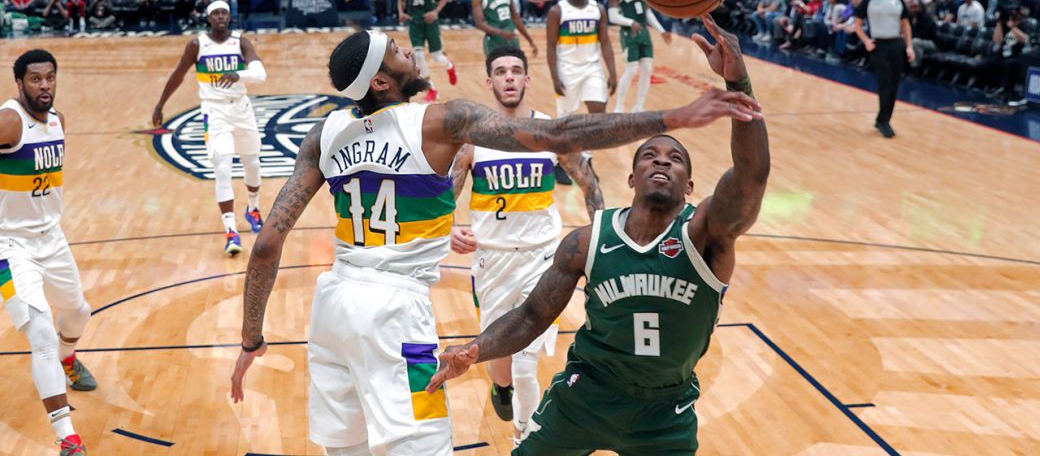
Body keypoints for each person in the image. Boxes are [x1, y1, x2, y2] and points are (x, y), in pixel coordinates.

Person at [229, 30, 762, 456]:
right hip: (395, 313)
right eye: (395, 50)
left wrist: (252, 339)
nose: (408, 49)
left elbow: (267, 246)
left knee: (348, 449)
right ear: (382, 82)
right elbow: (558, 135)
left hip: (332, 307)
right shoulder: (441, 121)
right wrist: (672, 117)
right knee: (423, 446)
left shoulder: (322, 136)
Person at [426, 15, 770, 455]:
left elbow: (751, 176)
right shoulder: (587, 242)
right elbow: (530, 317)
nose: (661, 160)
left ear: (689, 185)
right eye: (649, 155)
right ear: (631, 177)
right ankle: (507, 398)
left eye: (674, 159)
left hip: (665, 411)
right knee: (516, 371)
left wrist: (739, 82)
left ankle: (518, 417)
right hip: (584, 397)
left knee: (527, 366)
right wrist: (475, 350)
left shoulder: (706, 235)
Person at [449, 47, 601, 446]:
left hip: (544, 257)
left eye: (516, 71)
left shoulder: (550, 131)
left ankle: (524, 439)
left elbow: (588, 182)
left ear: (527, 79)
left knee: (525, 359)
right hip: (493, 259)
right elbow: (445, 193)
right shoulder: (473, 137)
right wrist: (448, 228)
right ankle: (501, 388)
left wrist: (602, 232)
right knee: (500, 355)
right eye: (501, 72)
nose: (509, 77)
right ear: (490, 82)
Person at [0, 50, 96, 456]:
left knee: (78, 312)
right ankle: (67, 437)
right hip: (10, 245)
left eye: (50, 78)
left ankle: (67, 359)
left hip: (52, 239)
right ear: (19, 83)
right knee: (40, 335)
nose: (44, 85)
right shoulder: (9, 121)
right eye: (35, 79)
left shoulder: (58, 121)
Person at [151, 1, 269, 256]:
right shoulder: (197, 45)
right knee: (223, 167)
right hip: (214, 112)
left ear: (230, 17)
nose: (220, 16)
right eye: (216, 13)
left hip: (241, 108)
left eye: (224, 12)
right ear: (208, 19)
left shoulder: (240, 42)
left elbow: (260, 73)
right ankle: (231, 231)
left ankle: (253, 208)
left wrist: (239, 75)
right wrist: (160, 104)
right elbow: (178, 74)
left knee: (252, 163)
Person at [547, 0, 618, 184]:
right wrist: (554, 77)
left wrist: (613, 72)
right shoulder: (558, 11)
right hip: (566, 69)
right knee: (564, 120)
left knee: (597, 116)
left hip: (591, 68)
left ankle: (586, 160)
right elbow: (550, 46)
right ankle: (560, 162)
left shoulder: (598, 9)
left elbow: (605, 42)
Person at [852, 0, 914, 139]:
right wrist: (866, 41)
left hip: (896, 44)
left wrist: (909, 46)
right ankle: (883, 122)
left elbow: (905, 25)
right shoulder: (868, 1)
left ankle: (883, 118)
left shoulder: (898, 1)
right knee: (885, 81)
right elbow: (857, 24)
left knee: (894, 83)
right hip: (878, 45)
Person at [608, 0, 672, 113]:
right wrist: (630, 22)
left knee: (647, 70)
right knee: (631, 69)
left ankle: (638, 106)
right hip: (628, 34)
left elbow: (648, 13)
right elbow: (612, 17)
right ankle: (619, 106)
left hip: (644, 33)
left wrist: (661, 30)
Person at [399, 0, 458, 99]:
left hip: (430, 21)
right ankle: (431, 88)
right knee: (418, 56)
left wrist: (435, 12)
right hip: (415, 22)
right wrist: (401, 12)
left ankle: (450, 66)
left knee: (436, 56)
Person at [472, 0, 538, 59]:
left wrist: (530, 40)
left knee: (518, 67)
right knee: (497, 68)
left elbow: (515, 18)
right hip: (494, 42)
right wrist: (502, 33)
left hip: (511, 39)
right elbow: (479, 24)